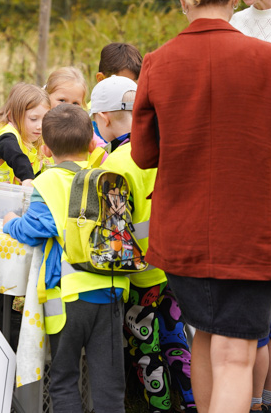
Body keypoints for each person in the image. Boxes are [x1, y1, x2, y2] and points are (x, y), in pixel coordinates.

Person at [131, 0, 271, 413]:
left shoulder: (157, 62)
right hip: (249, 232)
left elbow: (145, 154)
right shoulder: (268, 59)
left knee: (203, 338)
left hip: (183, 230)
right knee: (235, 355)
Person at [3, 104, 129, 413]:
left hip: (67, 299)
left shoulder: (45, 182)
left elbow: (35, 230)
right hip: (111, 293)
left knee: (63, 379)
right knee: (110, 386)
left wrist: (9, 221)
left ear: (45, 149)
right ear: (91, 145)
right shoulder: (108, 179)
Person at [90, 76, 195, 412]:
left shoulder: (116, 165)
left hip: (139, 276)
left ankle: (161, 406)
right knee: (176, 336)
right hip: (176, 265)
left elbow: (113, 232)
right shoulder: (169, 147)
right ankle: (194, 400)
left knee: (146, 352)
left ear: (104, 118)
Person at [0, 83, 50, 186]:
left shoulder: (30, 139)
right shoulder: (5, 133)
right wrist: (26, 176)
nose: (40, 126)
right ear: (12, 116)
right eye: (33, 119)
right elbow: (12, 151)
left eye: (44, 120)